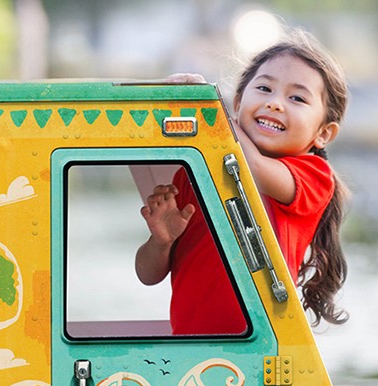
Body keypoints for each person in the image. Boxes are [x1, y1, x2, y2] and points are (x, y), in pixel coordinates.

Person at [135, 29, 351, 334]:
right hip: (189, 355)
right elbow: (147, 275)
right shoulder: (194, 171)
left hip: (262, 353)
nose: (276, 103)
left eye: (297, 98)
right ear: (238, 104)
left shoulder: (313, 175)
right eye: (264, 88)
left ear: (323, 133)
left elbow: (251, 168)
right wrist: (162, 241)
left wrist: (213, 113)